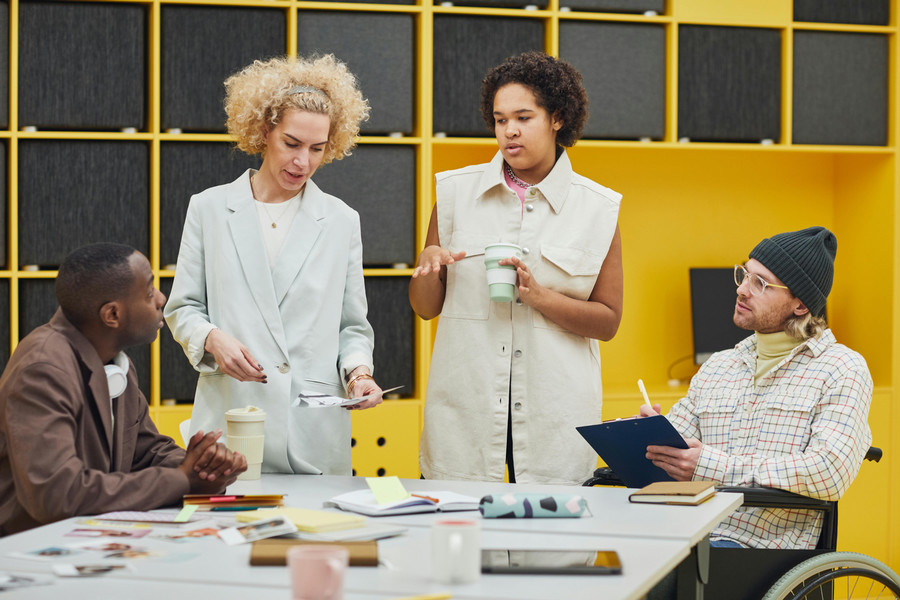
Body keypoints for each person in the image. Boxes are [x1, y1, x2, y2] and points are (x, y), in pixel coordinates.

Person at [410, 51, 624, 484]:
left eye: (524, 117)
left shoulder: (598, 208)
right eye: (499, 119)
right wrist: (427, 266)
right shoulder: (455, 193)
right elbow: (425, 309)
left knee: (553, 547)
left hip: (553, 415)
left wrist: (539, 296)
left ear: (557, 118)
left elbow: (607, 322)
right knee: (462, 540)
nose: (509, 131)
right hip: (465, 409)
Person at [164, 55, 383, 476]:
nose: (303, 162)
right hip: (231, 420)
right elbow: (183, 308)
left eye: (317, 149)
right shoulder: (209, 208)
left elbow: (352, 327)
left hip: (312, 432)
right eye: (291, 143)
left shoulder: (342, 220)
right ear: (264, 131)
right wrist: (212, 339)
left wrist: (359, 374)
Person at [640, 226, 872, 549]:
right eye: (744, 275)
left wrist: (712, 466)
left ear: (801, 305)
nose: (742, 290)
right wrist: (646, 434)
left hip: (759, 550)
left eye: (760, 283)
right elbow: (678, 447)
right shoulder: (719, 366)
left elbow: (828, 471)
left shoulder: (841, 370)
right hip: (691, 535)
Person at [0, 243, 246, 536]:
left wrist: (205, 466)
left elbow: (146, 451)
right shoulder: (42, 370)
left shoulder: (118, 364)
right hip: (29, 549)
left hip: (84, 538)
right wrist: (182, 480)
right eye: (148, 291)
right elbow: (57, 494)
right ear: (112, 315)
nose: (161, 298)